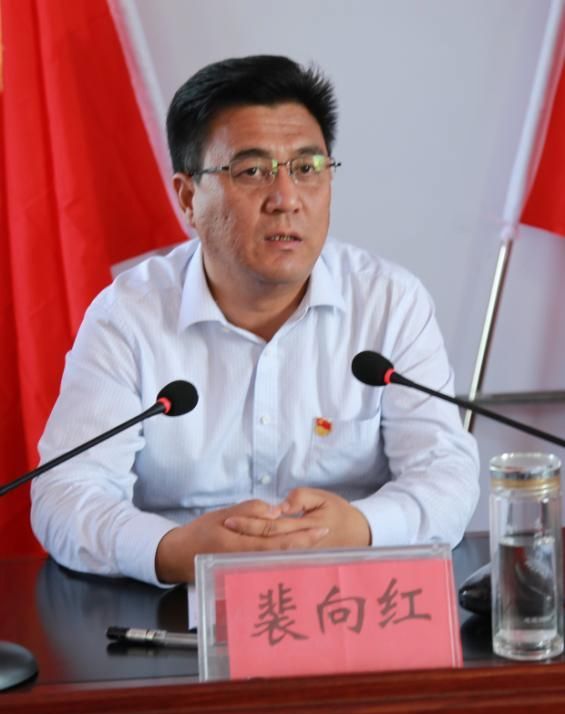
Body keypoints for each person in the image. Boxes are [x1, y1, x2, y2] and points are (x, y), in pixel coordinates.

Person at [31, 55, 479, 586]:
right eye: (251, 172)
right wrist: (173, 549)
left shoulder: (389, 303)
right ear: (188, 198)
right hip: (178, 610)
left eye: (307, 168)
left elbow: (446, 475)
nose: (286, 199)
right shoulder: (127, 318)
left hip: (352, 604)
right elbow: (65, 493)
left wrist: (360, 528)